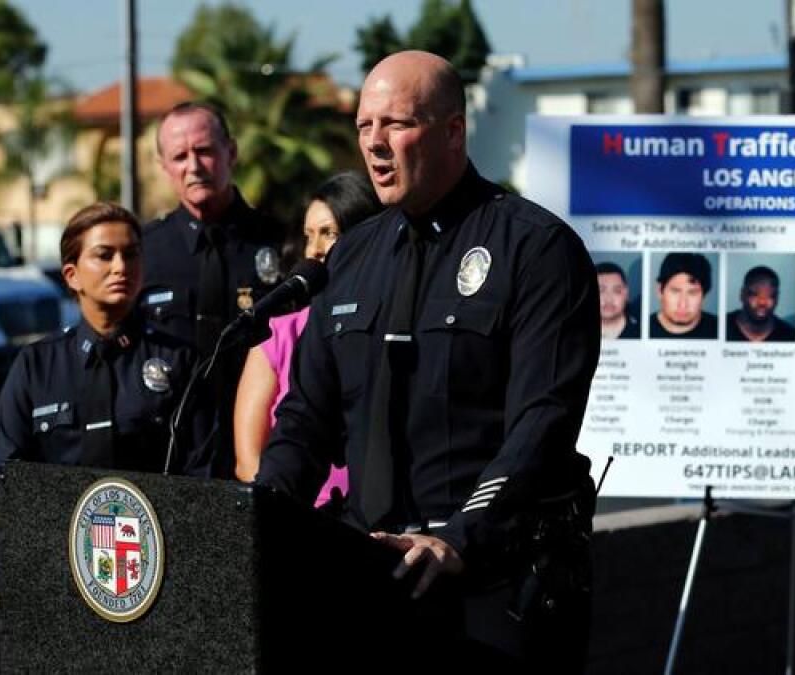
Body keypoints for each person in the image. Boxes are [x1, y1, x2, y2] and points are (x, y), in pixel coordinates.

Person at [256, 51, 598, 669]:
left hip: (489, 583)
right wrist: (260, 517)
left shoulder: (536, 249)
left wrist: (458, 539)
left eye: (397, 124)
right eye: (365, 126)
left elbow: (541, 423)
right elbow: (306, 416)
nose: (376, 144)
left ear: (453, 131)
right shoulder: (352, 258)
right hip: (367, 576)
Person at [0, 202, 207, 482]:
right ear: (72, 275)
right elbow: (7, 474)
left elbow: (201, 473)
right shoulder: (36, 367)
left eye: (131, 255)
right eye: (104, 255)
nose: (120, 267)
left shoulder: (180, 361)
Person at [141, 101, 286, 478]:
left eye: (204, 151)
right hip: (170, 456)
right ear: (164, 167)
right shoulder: (144, 252)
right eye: (179, 156)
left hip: (262, 449)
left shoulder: (278, 242)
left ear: (231, 152)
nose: (193, 166)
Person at [233, 172, 381, 504]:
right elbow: (248, 462)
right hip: (298, 521)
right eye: (308, 235)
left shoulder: (389, 323)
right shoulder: (277, 335)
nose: (314, 250)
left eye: (329, 233)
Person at [649, 252, 717, 339]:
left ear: (704, 295)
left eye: (692, 293)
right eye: (675, 291)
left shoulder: (718, 329)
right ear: (659, 290)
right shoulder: (642, 329)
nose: (683, 304)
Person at [726, 265, 795, 342]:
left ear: (777, 299)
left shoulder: (791, 336)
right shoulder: (721, 326)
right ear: (742, 294)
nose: (762, 302)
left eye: (770, 296)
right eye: (754, 294)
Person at [596, 261, 639, 339]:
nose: (609, 299)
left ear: (627, 294)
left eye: (617, 291)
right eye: (601, 291)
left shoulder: (640, 333)